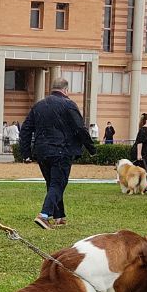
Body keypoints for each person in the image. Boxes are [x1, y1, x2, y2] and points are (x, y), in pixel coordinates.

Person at [19, 78, 95, 229]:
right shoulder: (68, 104)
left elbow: (26, 129)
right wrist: (91, 148)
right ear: (66, 90)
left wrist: (26, 152)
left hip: (42, 152)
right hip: (62, 150)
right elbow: (80, 128)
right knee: (58, 184)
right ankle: (44, 215)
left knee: (53, 184)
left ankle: (59, 217)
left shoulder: (38, 106)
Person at [133, 113, 147, 192]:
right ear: (146, 120)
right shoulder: (143, 130)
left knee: (146, 171)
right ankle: (143, 188)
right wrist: (139, 154)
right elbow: (140, 142)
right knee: (144, 171)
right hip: (140, 153)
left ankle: (143, 187)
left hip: (146, 153)